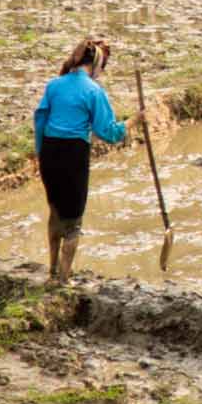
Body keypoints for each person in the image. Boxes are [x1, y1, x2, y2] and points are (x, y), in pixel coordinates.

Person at [32, 37, 136, 284]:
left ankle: (52, 271)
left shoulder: (55, 85)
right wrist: (134, 121)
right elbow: (108, 131)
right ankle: (64, 279)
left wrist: (40, 154)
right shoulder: (93, 91)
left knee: (56, 212)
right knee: (74, 222)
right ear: (98, 64)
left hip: (49, 152)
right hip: (73, 155)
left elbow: (40, 120)